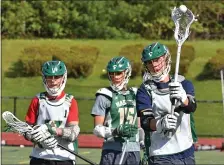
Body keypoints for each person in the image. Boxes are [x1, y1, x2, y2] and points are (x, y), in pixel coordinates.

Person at [136, 42, 197, 165]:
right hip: (161, 153)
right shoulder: (145, 90)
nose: (154, 65)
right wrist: (160, 124)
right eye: (149, 62)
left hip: (186, 150)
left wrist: (183, 98)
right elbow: (145, 122)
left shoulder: (183, 83)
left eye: (157, 60)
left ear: (165, 58)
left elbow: (191, 107)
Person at [24, 60, 80, 165]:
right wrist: (35, 135)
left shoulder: (70, 101)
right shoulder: (37, 100)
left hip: (64, 157)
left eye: (57, 77)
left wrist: (52, 130)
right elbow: (27, 131)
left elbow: (73, 133)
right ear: (44, 78)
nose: (53, 81)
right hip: (40, 156)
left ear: (63, 78)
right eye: (50, 77)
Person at [91, 56, 144, 165]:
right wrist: (115, 131)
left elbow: (139, 125)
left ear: (126, 72)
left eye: (118, 73)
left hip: (134, 150)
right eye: (112, 73)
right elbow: (97, 129)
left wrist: (144, 143)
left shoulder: (136, 94)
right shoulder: (104, 95)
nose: (115, 77)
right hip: (112, 150)